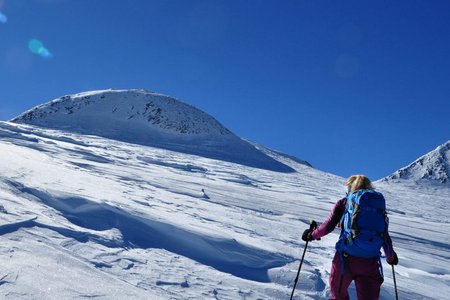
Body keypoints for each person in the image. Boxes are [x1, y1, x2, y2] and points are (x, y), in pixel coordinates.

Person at [302, 175, 398, 300]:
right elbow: (383, 234)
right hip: (370, 263)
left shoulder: (344, 203)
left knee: (338, 296)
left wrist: (311, 235)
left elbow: (328, 226)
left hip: (345, 260)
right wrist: (390, 257)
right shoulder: (377, 206)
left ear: (349, 187)